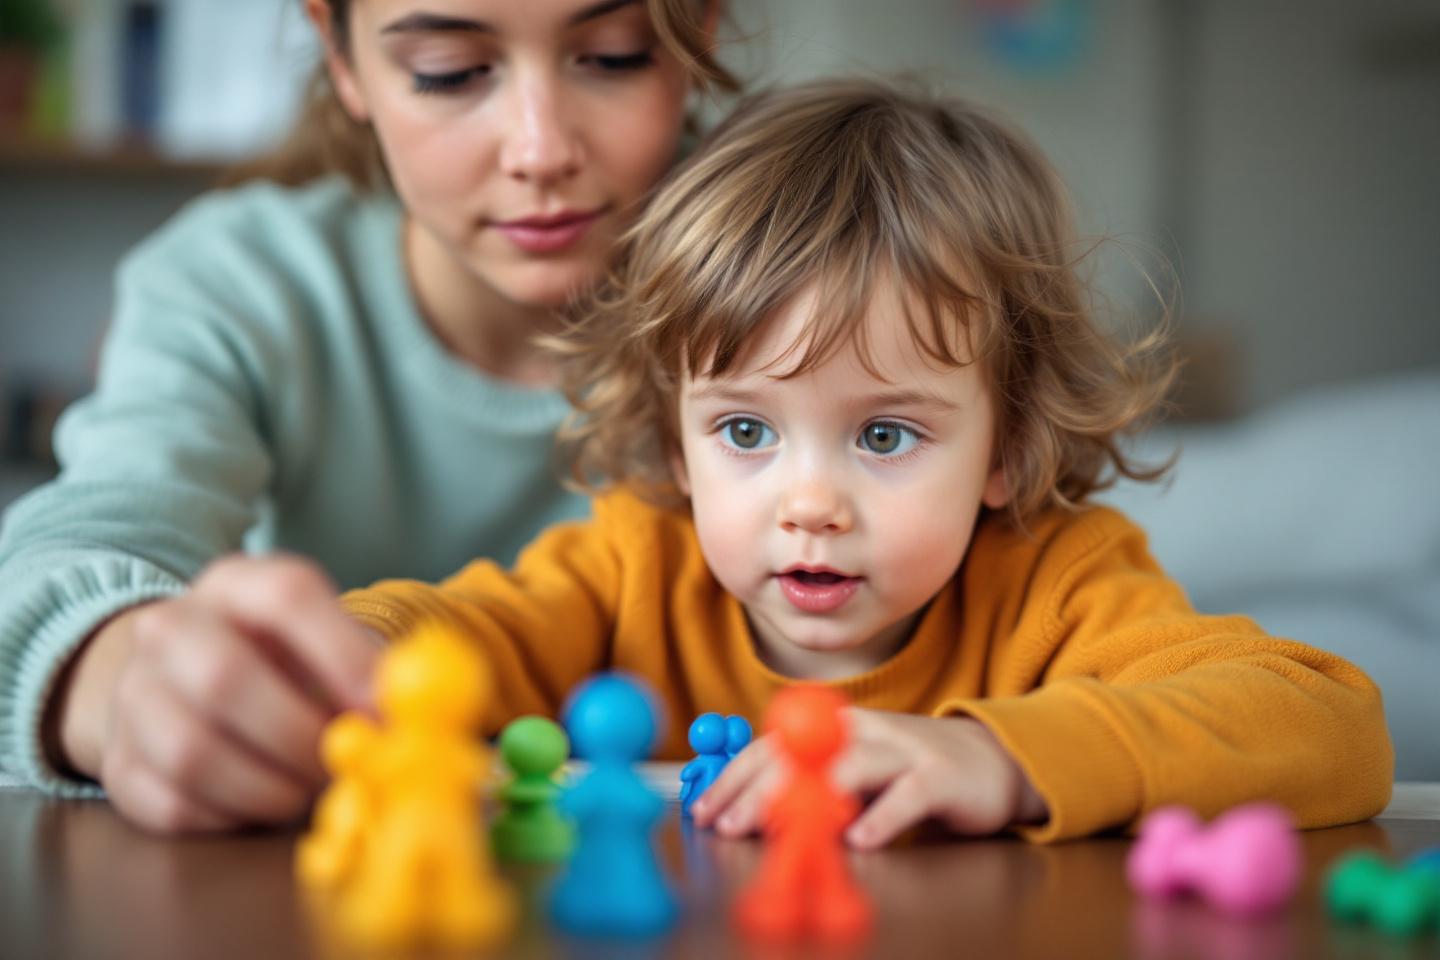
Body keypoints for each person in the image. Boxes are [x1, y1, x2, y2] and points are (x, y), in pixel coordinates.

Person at [343, 78, 1393, 846]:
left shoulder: (1059, 581)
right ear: (676, 438)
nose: (809, 505)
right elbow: (452, 634)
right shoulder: (633, 567)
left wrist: (1003, 755)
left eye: (884, 435)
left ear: (1009, 443)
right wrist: (331, 655)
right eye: (745, 431)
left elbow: (1333, 725)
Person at [0, 0, 734, 833]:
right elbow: (78, 549)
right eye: (450, 72)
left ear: (699, 30)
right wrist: (115, 681)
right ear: (342, 60)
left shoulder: (822, 272)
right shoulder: (242, 284)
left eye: (612, 56)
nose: (541, 150)